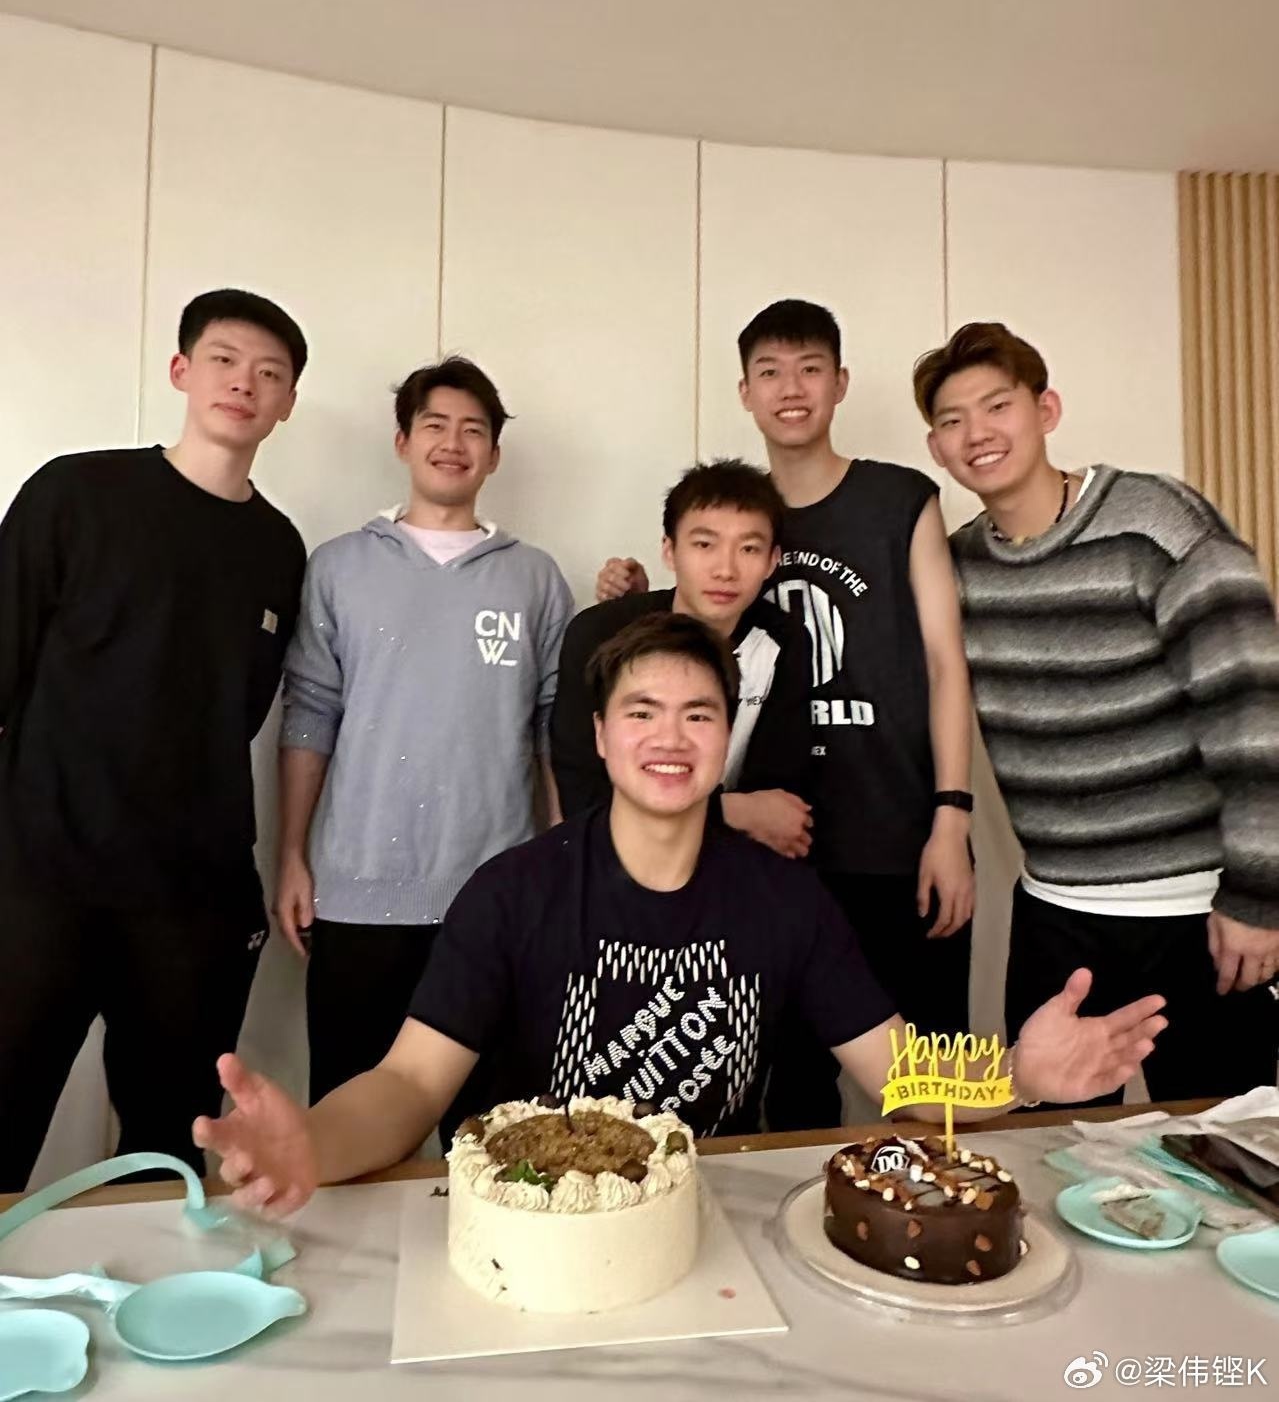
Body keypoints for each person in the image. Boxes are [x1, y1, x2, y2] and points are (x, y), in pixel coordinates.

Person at [193, 613, 1166, 1217]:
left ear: (724, 737)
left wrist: (1019, 1077)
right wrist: (311, 1144)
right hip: (529, 1224)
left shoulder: (783, 898)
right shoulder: (513, 892)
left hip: (707, 1214)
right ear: (600, 737)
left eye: (698, 713)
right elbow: (409, 1083)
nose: (670, 735)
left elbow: (898, 1071)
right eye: (642, 711)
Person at [597, 300, 975, 1128]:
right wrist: (633, 599)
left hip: (898, 834)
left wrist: (952, 816)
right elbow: (683, 638)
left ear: (840, 383)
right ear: (744, 392)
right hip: (770, 856)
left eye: (810, 369)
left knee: (931, 1075)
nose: (791, 389)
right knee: (789, 1089)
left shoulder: (898, 499)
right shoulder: (729, 511)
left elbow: (946, 662)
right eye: (769, 372)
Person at [914, 320, 1279, 1103]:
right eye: (952, 420)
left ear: (1044, 410)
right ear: (936, 448)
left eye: (997, 406)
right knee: (1047, 1145)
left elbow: (1253, 710)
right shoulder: (958, 566)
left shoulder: (1156, 523)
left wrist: (1258, 896)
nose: (977, 433)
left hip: (1199, 912)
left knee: (1220, 1144)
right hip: (1055, 913)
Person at [0, 288, 308, 1188]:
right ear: (180, 370)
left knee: (168, 1150)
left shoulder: (278, 548)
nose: (243, 384)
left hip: (192, 895)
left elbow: (244, 707)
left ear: (287, 403)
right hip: (42, 874)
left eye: (268, 373)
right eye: (224, 360)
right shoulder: (76, 492)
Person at [274, 356, 574, 1107]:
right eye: (434, 425)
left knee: (493, 1133)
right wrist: (292, 854)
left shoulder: (535, 579)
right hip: (357, 892)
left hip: (497, 900)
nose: (452, 442)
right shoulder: (339, 566)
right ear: (403, 442)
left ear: (494, 455)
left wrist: (564, 865)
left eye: (473, 430)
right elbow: (310, 712)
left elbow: (553, 729)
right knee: (351, 1118)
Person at [551, 458, 813, 857]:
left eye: (749, 548)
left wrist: (745, 816)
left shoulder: (784, 640)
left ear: (772, 561)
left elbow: (778, 807)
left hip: (728, 865)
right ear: (669, 551)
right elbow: (584, 796)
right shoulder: (599, 634)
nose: (725, 570)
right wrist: (733, 811)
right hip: (613, 860)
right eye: (705, 544)